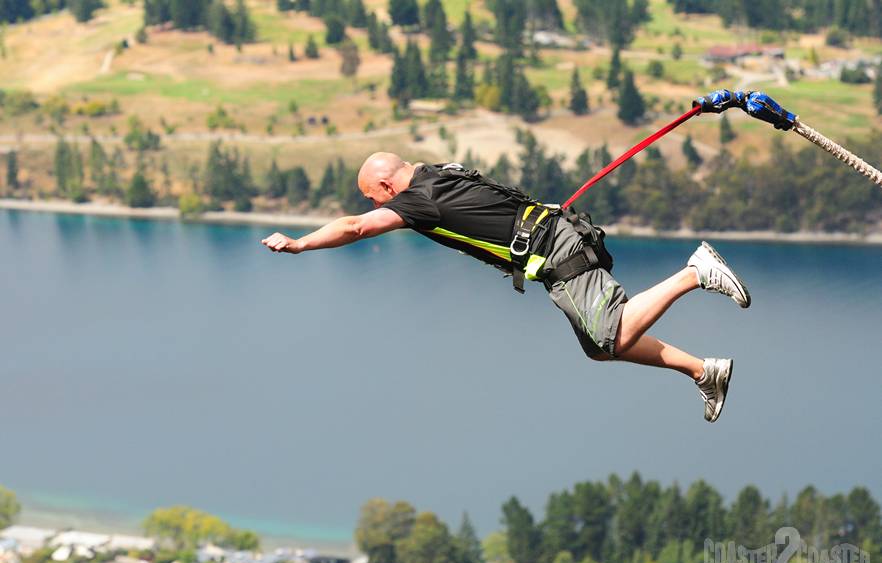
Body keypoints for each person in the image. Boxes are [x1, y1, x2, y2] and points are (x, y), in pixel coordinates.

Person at [261, 152, 751, 423]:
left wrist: (301, 245)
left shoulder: (417, 201)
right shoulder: (439, 169)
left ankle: (695, 272)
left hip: (556, 251)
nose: (374, 207)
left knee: (611, 336)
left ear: (388, 189)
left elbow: (357, 227)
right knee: (599, 349)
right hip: (555, 240)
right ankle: (703, 371)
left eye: (373, 199)